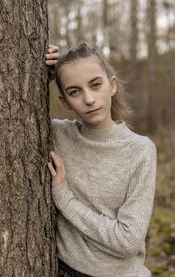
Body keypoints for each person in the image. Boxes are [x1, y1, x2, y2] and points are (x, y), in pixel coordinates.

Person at [45, 43, 157, 277]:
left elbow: (127, 241)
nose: (88, 99)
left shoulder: (140, 151)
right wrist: (38, 74)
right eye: (74, 91)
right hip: (61, 270)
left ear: (112, 85)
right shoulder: (57, 134)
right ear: (64, 101)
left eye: (96, 85)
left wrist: (64, 198)